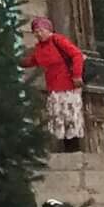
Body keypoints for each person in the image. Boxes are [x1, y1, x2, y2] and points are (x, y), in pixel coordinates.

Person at [23, 15, 88, 152]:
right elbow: (32, 61)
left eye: (41, 30)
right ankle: (64, 149)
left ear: (48, 30)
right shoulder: (39, 48)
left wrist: (77, 75)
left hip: (68, 85)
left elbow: (76, 55)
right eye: (35, 32)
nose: (38, 34)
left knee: (70, 117)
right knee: (58, 117)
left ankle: (74, 149)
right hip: (54, 87)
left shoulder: (58, 40)